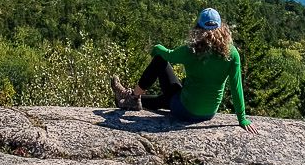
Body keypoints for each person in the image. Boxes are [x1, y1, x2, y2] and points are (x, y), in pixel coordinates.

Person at [110, 7, 258, 134]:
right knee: (169, 98)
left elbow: (166, 55)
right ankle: (133, 101)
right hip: (208, 113)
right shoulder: (232, 53)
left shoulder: (191, 50)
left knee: (160, 61)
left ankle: (133, 96)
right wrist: (242, 118)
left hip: (184, 110)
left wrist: (156, 48)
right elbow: (236, 87)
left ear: (198, 27)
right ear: (222, 28)